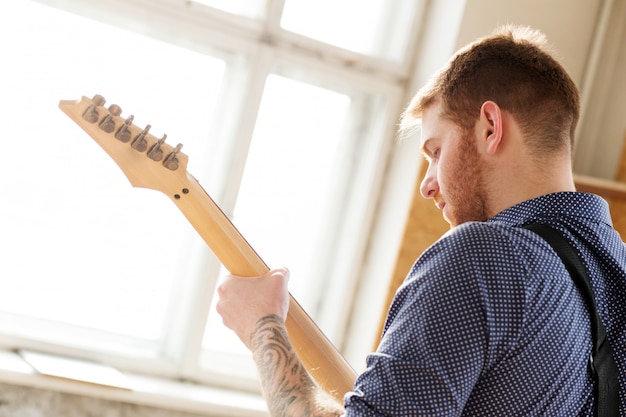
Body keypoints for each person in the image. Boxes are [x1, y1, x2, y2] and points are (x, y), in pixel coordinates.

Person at [216, 24, 626, 416]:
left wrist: (263, 328)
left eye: (435, 151)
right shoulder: (616, 266)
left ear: (490, 128)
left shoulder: (482, 257)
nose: (427, 186)